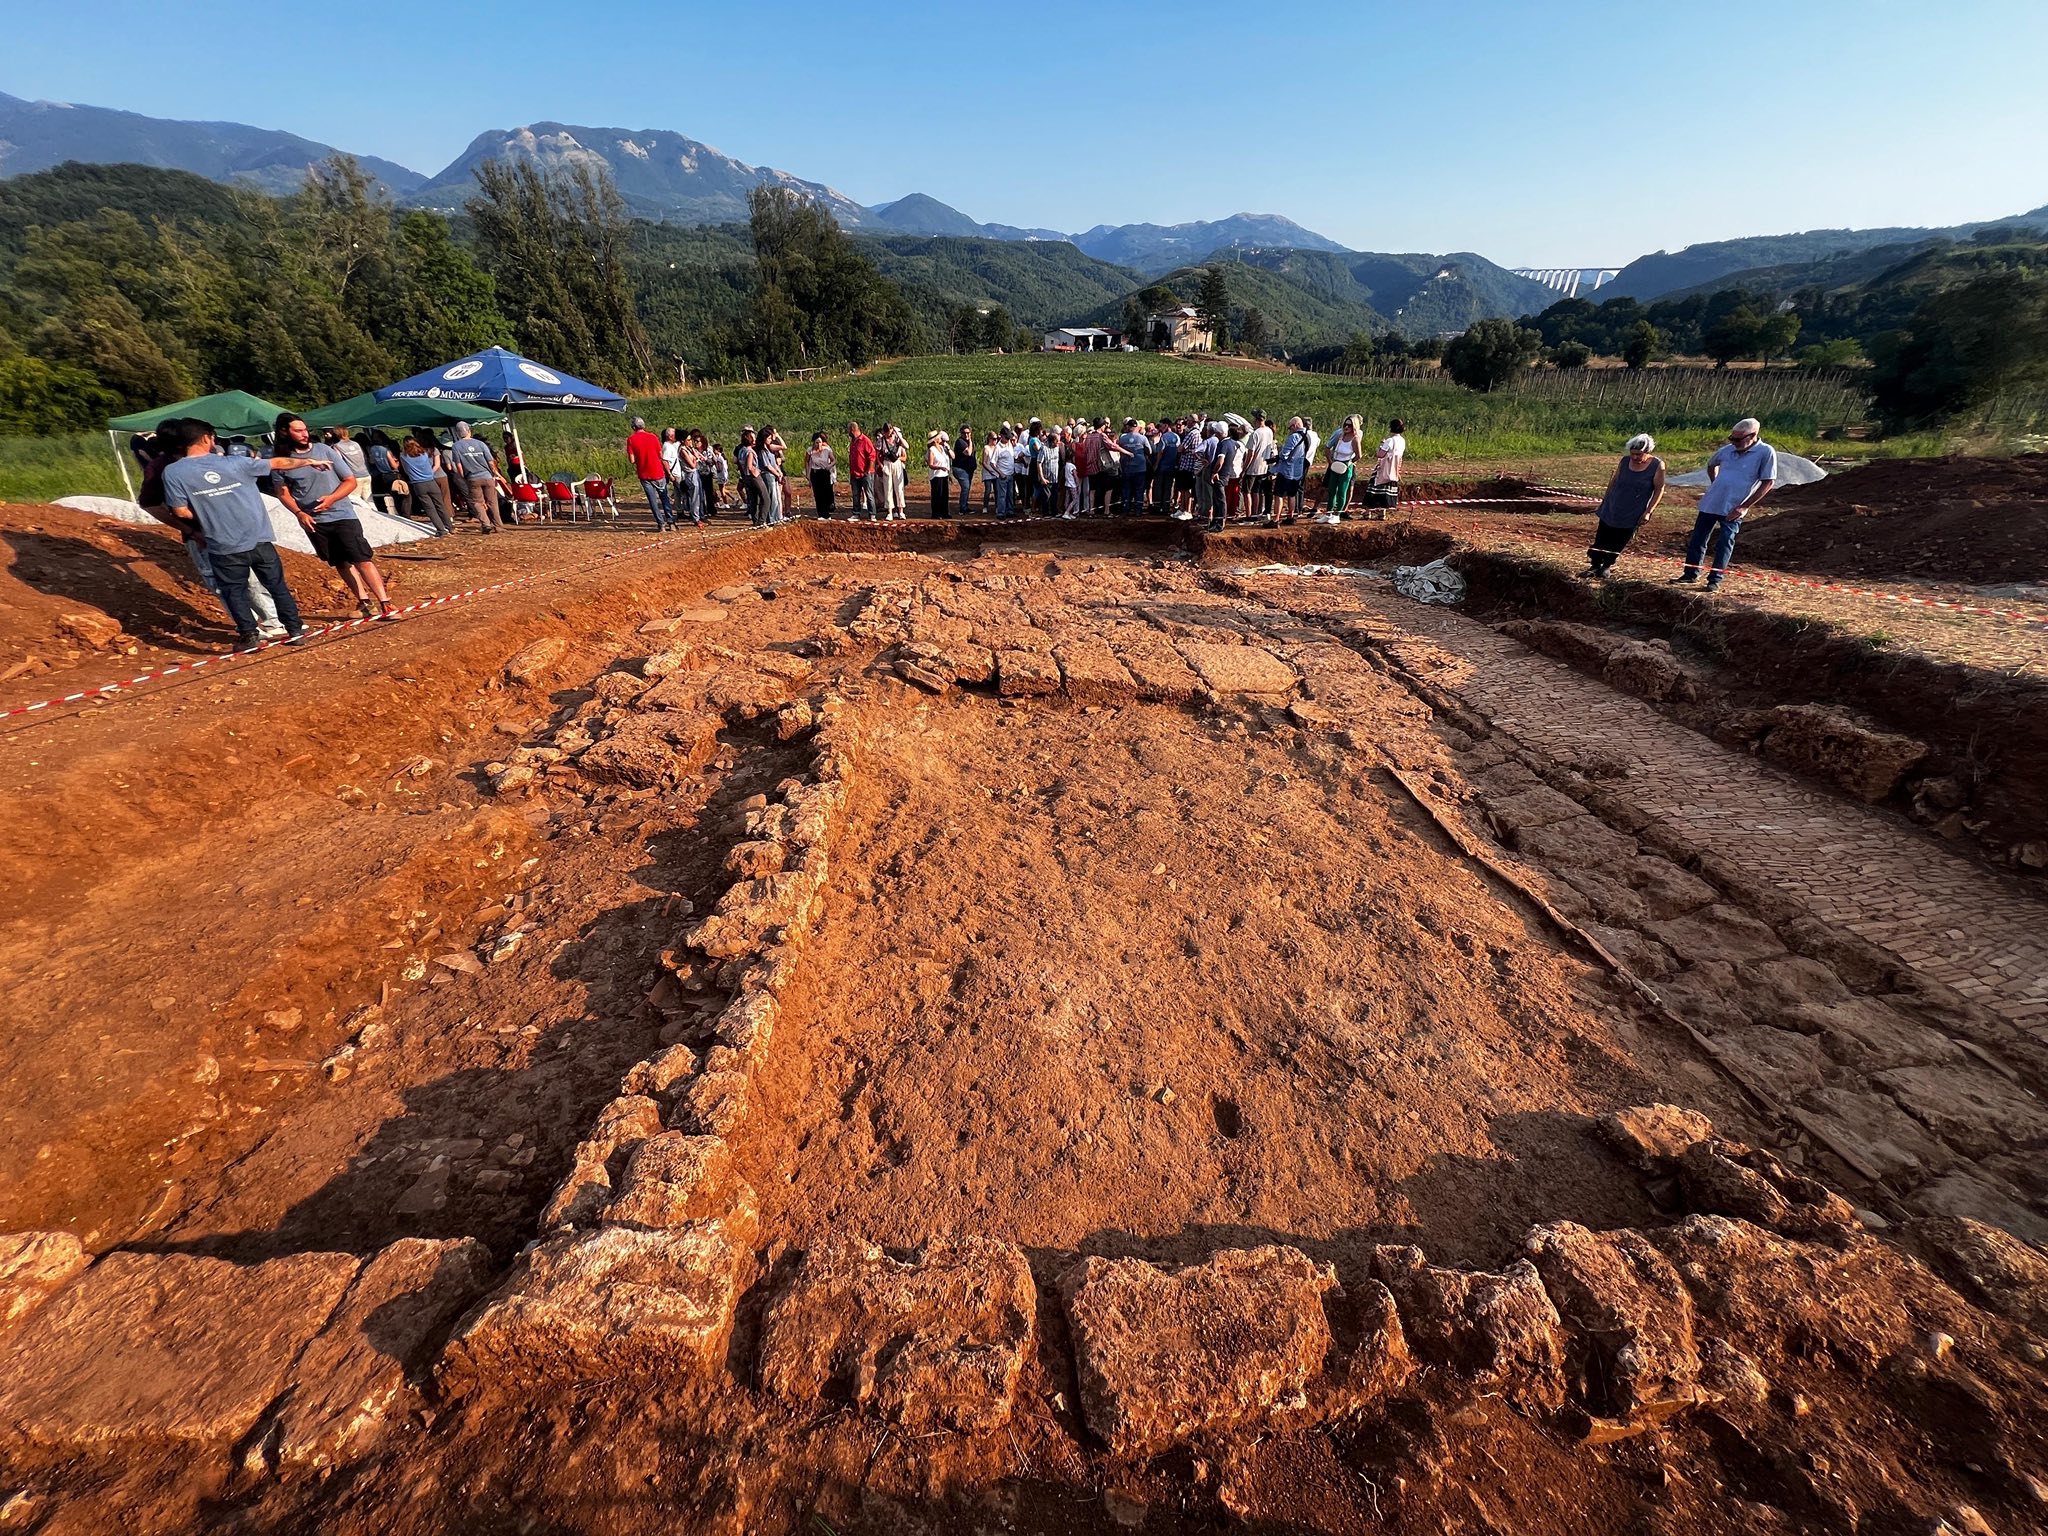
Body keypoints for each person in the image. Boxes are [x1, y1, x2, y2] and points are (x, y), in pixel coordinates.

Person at [156, 417, 316, 652]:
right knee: (276, 585)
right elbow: (278, 463)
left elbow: (179, 511)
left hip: (222, 542)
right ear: (206, 438)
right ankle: (295, 629)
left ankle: (250, 636)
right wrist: (309, 461)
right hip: (259, 537)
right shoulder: (236, 462)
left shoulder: (173, 472)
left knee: (234, 591)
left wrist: (208, 511)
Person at [271, 413, 400, 620]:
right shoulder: (281, 461)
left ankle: (385, 603)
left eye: (305, 429)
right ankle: (364, 602)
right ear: (284, 432)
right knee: (340, 562)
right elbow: (283, 493)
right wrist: (299, 513)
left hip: (342, 515)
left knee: (362, 559)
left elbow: (350, 480)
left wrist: (332, 498)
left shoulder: (324, 450)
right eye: (298, 431)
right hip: (315, 521)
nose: (304, 434)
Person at [1675, 417, 1776, 591]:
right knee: (1698, 539)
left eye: (1738, 439)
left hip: (1734, 507)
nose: (1733, 442)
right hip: (1711, 503)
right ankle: (1690, 574)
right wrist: (1715, 483)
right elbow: (1711, 464)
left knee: (1725, 542)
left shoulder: (1765, 452)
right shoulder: (1727, 450)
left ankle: (1714, 580)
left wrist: (1744, 506)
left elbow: (1768, 482)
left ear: (1752, 436)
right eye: (1732, 438)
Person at [1583, 433, 1665, 580]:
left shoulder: (1657, 465)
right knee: (1602, 538)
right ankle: (1594, 565)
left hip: (1633, 510)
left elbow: (1659, 489)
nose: (1634, 457)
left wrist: (1648, 511)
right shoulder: (1624, 461)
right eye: (1632, 454)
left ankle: (1607, 565)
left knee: (1619, 540)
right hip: (1613, 505)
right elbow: (1614, 480)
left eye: (1638, 454)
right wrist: (1605, 500)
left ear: (1647, 452)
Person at [448, 421, 506, 533]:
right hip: (487, 476)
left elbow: (458, 465)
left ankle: (486, 524)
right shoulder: (480, 444)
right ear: (469, 430)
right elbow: (490, 462)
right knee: (492, 502)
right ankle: (498, 526)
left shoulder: (456, 446)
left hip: (472, 478)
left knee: (477, 502)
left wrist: (463, 477)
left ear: (457, 433)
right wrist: (496, 474)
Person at [397, 435, 454, 535]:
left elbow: (405, 469)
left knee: (429, 508)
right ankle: (449, 526)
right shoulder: (424, 454)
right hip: (431, 481)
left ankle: (441, 529)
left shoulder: (403, 456)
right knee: (440, 505)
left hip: (418, 484)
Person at [625, 416, 674, 530]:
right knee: (664, 497)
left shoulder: (631, 439)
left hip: (644, 473)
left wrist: (640, 458)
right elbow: (660, 455)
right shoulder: (653, 437)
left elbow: (632, 460)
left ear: (633, 427)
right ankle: (671, 522)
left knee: (653, 500)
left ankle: (661, 524)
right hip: (658, 471)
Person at [1318, 415, 1364, 523]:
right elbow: (1330, 448)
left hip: (1346, 467)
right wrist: (1331, 461)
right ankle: (1328, 514)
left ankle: (1337, 515)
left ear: (1354, 427)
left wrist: (1350, 462)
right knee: (1331, 490)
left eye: (1349, 425)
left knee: (1342, 491)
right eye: (1345, 425)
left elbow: (1359, 455)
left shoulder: (1355, 439)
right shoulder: (1341, 436)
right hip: (1336, 464)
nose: (1346, 427)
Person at [1364, 417, 1406, 518]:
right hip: (1394, 469)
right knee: (1386, 490)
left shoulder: (1390, 441)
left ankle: (1367, 512)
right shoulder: (1402, 441)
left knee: (1373, 489)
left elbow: (1380, 454)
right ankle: (1382, 513)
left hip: (1384, 468)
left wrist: (1381, 445)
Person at [1271, 416, 1310, 525]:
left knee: (1278, 494)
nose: (1290, 430)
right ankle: (1290, 517)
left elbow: (1284, 454)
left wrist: (1277, 459)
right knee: (1292, 495)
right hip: (1298, 471)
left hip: (1287, 470)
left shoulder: (1294, 437)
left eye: (1290, 427)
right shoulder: (1307, 436)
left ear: (1295, 425)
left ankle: (1275, 519)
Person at [1243, 410, 1275, 521]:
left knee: (1247, 492)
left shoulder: (1255, 434)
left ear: (1257, 419)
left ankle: (1249, 515)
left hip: (1253, 467)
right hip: (1263, 466)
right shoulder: (1269, 431)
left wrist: (1245, 467)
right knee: (1256, 491)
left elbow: (1251, 453)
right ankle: (1255, 514)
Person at [874, 422, 908, 521]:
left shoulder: (897, 439)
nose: (888, 434)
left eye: (889, 432)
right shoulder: (881, 440)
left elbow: (906, 446)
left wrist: (898, 435)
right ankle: (889, 511)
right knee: (888, 488)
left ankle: (901, 511)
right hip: (887, 463)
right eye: (886, 432)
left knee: (899, 488)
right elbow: (877, 453)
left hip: (897, 463)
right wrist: (881, 465)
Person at [1116, 417, 1150, 516]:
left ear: (1128, 427)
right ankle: (1138, 510)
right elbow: (1149, 451)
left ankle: (1125, 508)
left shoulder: (1123, 438)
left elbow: (1119, 448)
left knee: (1126, 489)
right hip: (1140, 468)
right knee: (1139, 490)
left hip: (1127, 467)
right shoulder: (1142, 438)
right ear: (1137, 427)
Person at [846, 421, 877, 521]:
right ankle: (856, 513)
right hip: (855, 473)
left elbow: (872, 456)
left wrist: (869, 469)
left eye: (848, 430)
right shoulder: (853, 441)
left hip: (865, 473)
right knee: (855, 494)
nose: (848, 432)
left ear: (852, 430)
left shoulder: (865, 440)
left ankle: (872, 514)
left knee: (869, 494)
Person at [759, 426, 788, 525]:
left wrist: (779, 472)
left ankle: (776, 518)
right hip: (768, 475)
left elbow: (774, 463)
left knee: (776, 498)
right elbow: (767, 465)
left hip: (774, 475)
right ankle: (771, 519)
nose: (771, 440)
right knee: (772, 498)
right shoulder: (762, 450)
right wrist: (777, 474)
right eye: (769, 438)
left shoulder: (769, 448)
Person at [735, 429, 764, 526]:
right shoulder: (749, 451)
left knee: (753, 499)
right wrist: (756, 472)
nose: (755, 440)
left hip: (746, 477)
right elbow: (750, 466)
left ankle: (755, 520)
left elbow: (738, 462)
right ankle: (761, 521)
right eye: (753, 438)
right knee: (765, 498)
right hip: (753, 477)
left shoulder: (741, 450)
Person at [806, 432, 837, 518]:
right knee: (818, 494)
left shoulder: (827, 450)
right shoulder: (810, 451)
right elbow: (807, 462)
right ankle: (821, 514)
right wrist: (808, 474)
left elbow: (834, 460)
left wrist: (829, 466)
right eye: (816, 442)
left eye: (820, 442)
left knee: (826, 492)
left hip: (824, 472)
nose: (818, 444)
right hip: (815, 473)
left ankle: (827, 513)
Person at [927, 430, 952, 518]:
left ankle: (945, 512)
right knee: (937, 495)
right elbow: (930, 464)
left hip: (944, 474)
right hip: (936, 476)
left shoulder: (942, 448)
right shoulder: (931, 450)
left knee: (945, 495)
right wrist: (940, 468)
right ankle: (936, 513)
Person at [951, 423, 975, 514]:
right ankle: (963, 508)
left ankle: (965, 505)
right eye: (964, 433)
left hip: (968, 469)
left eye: (968, 433)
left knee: (967, 488)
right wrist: (971, 442)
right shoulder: (960, 442)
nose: (966, 434)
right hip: (960, 469)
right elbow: (968, 453)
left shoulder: (968, 442)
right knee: (965, 487)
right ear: (961, 434)